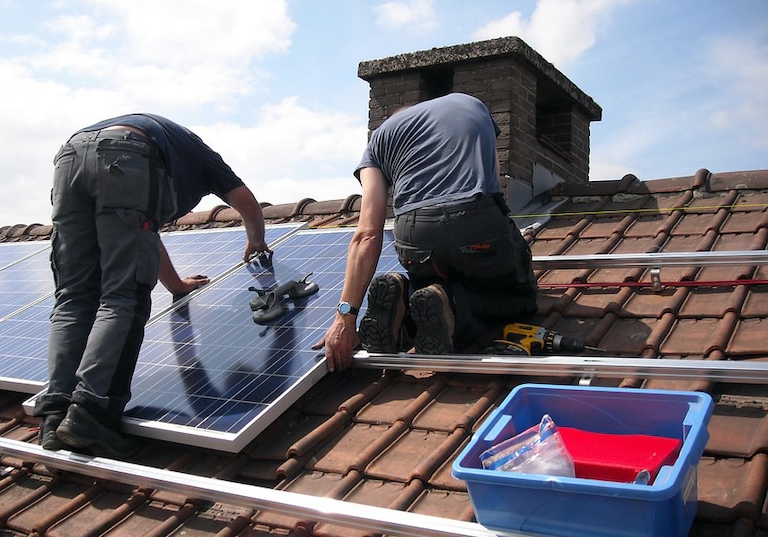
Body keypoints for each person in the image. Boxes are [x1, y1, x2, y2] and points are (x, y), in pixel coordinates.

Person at [35, 113, 271, 457]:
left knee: (73, 297)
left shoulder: (171, 147)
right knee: (122, 298)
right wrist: (257, 241)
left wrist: (175, 285)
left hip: (70, 157)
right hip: (125, 155)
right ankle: (91, 413)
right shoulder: (204, 158)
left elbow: (142, 236)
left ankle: (54, 418)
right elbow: (248, 204)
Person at [315, 93, 537, 372]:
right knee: (521, 298)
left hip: (414, 234)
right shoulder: (471, 103)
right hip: (475, 218)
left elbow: (367, 233)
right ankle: (452, 307)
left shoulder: (378, 140)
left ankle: (404, 297)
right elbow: (494, 184)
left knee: (431, 280)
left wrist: (345, 317)